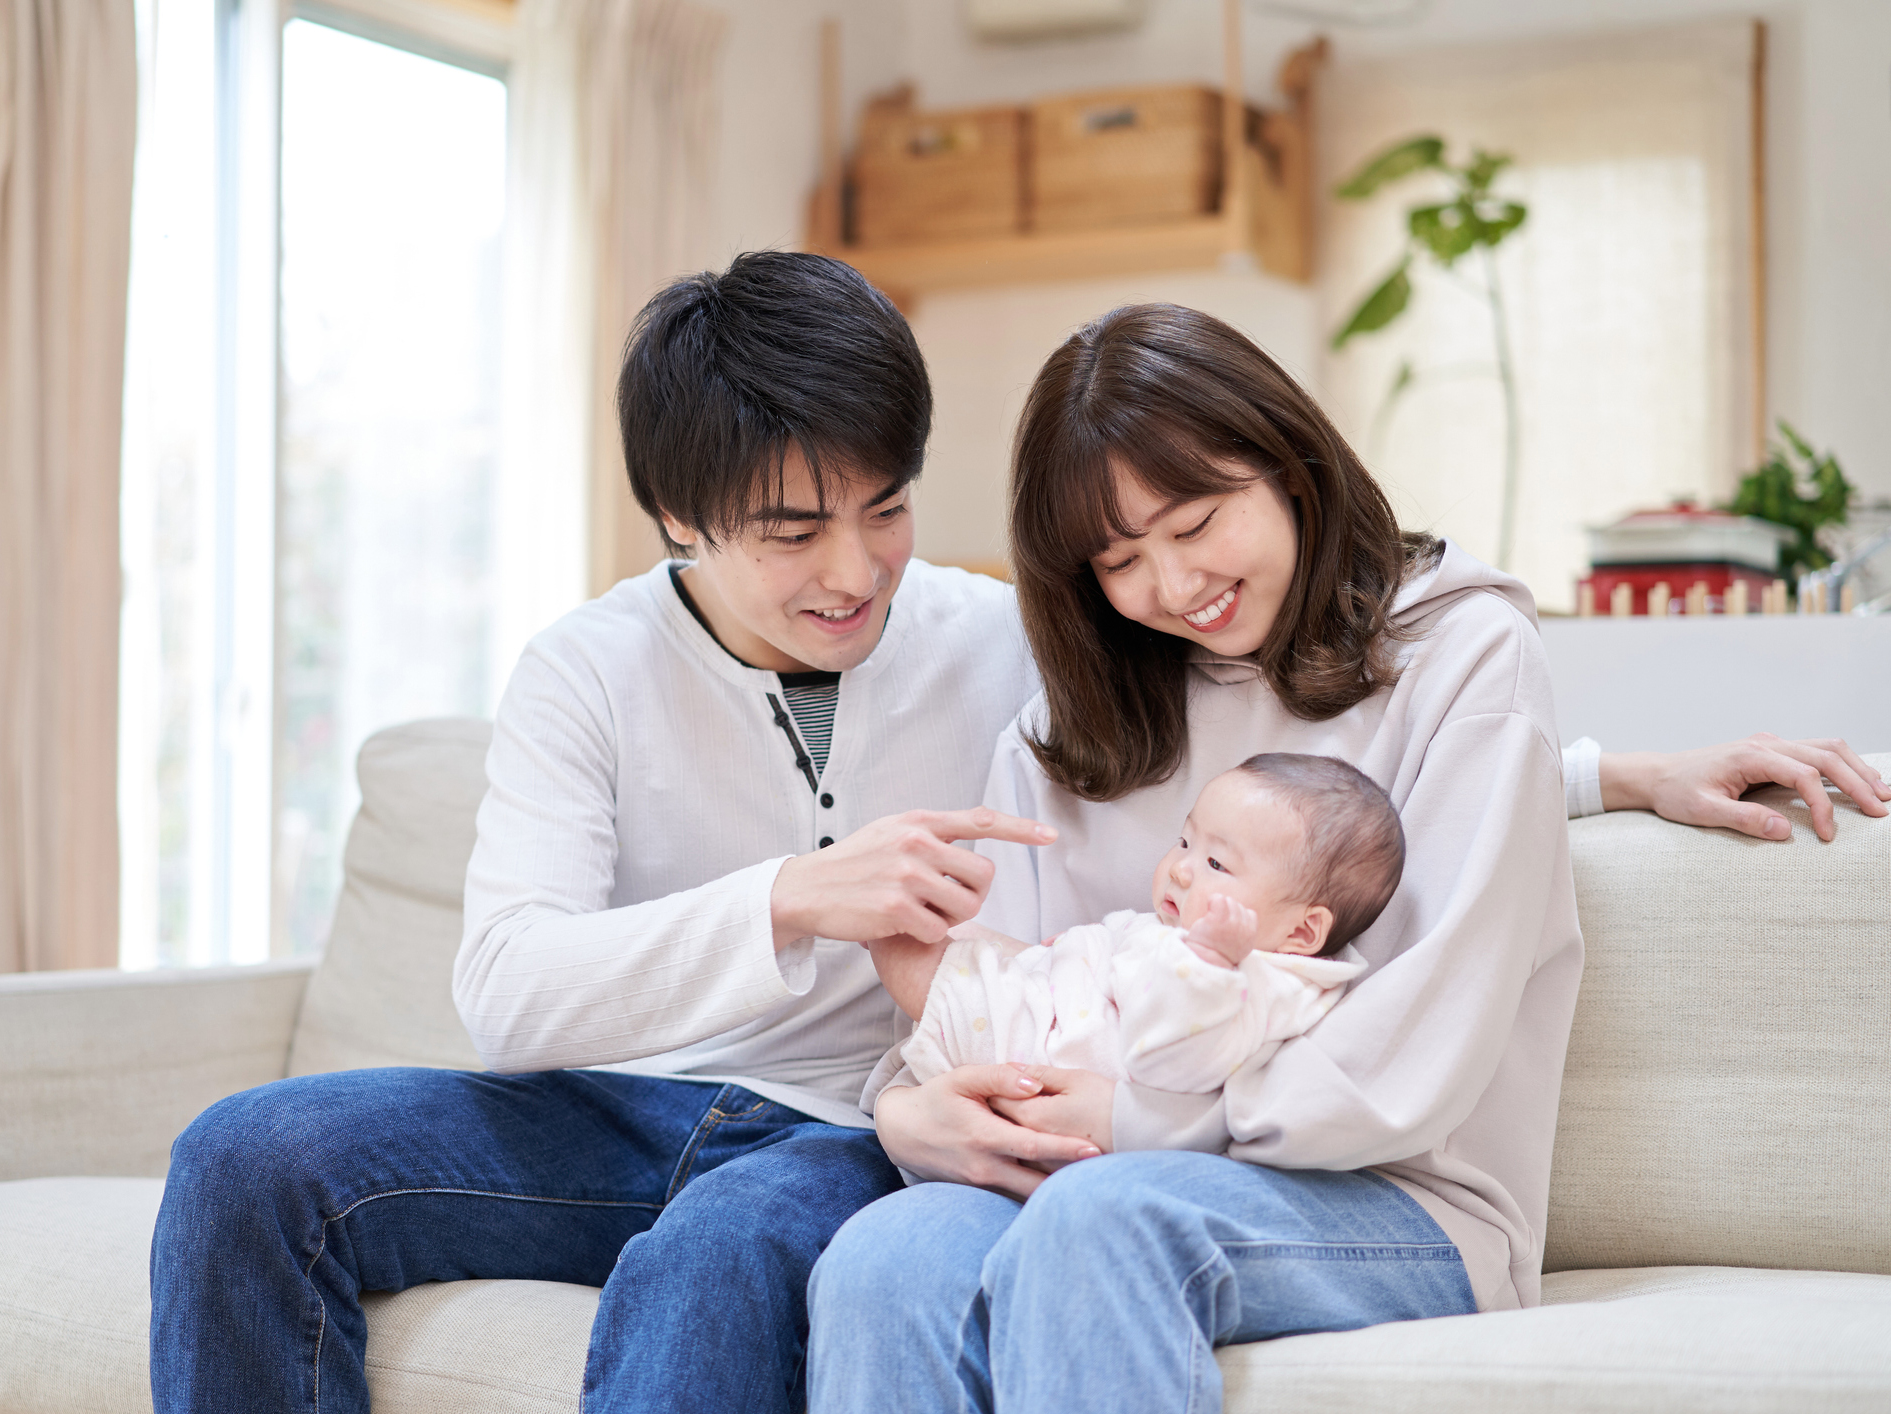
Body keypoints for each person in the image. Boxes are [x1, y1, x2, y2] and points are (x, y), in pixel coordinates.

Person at [147, 255, 1885, 1414]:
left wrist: (1619, 770)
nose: (853, 569)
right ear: (679, 521)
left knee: (951, 1231)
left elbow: (1376, 842)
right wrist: (863, 1006)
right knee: (268, 1156)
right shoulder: (1052, 674)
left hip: (1206, 1161)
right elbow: (1021, 956)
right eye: (1117, 559)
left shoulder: (1123, 641)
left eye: (888, 509)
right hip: (814, 1114)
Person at [804, 303, 1891, 1414]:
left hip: (1394, 1196)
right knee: (886, 1257)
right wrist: (910, 1109)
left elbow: (1413, 1053)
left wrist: (1132, 1119)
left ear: (1285, 460)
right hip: (1084, 1168)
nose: (1173, 588)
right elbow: (997, 997)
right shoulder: (1068, 730)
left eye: (1195, 522)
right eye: (1120, 560)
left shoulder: (1459, 651)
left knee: (1109, 1220)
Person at [866, 753, 1396, 1095]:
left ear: (1301, 934)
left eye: (1217, 864)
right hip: (1043, 994)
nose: (1181, 867)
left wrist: (1209, 965)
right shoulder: (1208, 938)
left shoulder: (1264, 986)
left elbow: (1177, 1060)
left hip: (1029, 1045)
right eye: (1186, 842)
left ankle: (868, 912)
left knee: (897, 934)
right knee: (952, 931)